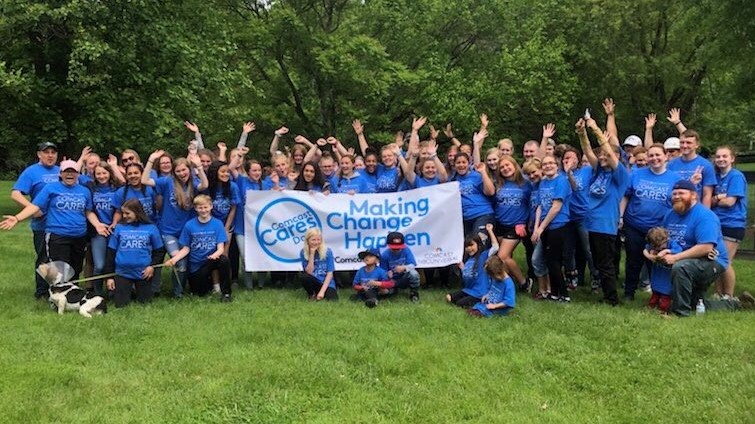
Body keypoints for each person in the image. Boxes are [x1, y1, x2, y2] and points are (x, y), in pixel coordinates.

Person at [649, 180, 753, 317]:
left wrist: (674, 257)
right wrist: (651, 253)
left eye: (681, 193)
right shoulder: (670, 214)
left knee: (681, 267)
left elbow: (706, 247)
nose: (676, 196)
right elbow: (662, 238)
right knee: (696, 304)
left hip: (712, 261)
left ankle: (680, 314)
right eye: (674, 193)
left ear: (693, 195)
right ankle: (739, 304)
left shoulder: (705, 216)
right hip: (689, 258)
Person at [1, 160, 109, 283]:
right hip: (57, 235)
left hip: (79, 236)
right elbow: (35, 206)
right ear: (60, 174)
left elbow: (88, 212)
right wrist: (17, 218)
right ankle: (55, 296)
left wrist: (97, 224)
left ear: (78, 174)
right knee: (58, 269)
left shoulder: (84, 191)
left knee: (76, 268)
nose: (70, 175)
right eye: (66, 172)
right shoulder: (51, 188)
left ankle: (72, 297)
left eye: (73, 172)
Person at [578, 117, 630, 306]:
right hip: (592, 224)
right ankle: (608, 294)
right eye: (600, 156)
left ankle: (612, 299)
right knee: (600, 263)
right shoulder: (599, 172)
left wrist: (595, 129)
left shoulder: (620, 175)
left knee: (605, 264)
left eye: (606, 156)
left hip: (606, 224)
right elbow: (587, 151)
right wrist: (582, 132)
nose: (602, 157)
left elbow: (608, 150)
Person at [143, 150, 207, 297]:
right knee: (179, 260)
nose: (181, 173)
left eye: (184, 170)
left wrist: (199, 166)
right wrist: (151, 160)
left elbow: (205, 184)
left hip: (187, 231)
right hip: (168, 232)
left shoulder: (194, 183)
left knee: (186, 263)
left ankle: (179, 291)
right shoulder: (167, 182)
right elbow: (145, 180)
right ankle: (177, 293)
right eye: (177, 171)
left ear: (189, 170)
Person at [621, 144, 680, 300]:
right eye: (651, 155)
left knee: (656, 262)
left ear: (666, 156)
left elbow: (678, 202)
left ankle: (658, 293)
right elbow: (626, 196)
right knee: (633, 260)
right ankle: (629, 292)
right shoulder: (636, 174)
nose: (654, 158)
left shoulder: (675, 178)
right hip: (634, 224)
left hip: (658, 229)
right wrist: (620, 217)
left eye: (658, 155)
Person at [11, 141, 60, 299]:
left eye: (53, 152)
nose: (50, 155)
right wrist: (32, 208)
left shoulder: (61, 171)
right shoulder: (31, 172)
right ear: (39, 154)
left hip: (60, 224)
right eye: (46, 152)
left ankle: (58, 289)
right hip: (42, 224)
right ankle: (42, 292)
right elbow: (16, 193)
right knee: (44, 258)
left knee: (57, 257)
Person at [164, 195, 232, 302]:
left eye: (205, 207)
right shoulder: (189, 225)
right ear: (195, 208)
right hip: (196, 268)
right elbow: (186, 249)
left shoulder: (217, 224)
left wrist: (215, 255)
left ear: (211, 207)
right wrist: (173, 260)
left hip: (210, 261)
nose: (203, 210)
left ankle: (226, 294)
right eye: (200, 208)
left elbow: (221, 248)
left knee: (224, 260)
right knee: (200, 293)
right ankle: (203, 286)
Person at [104, 199, 164, 307]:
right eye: (123, 213)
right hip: (122, 272)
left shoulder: (151, 228)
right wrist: (109, 277)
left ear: (137, 212)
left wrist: (152, 266)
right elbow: (111, 253)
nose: (124, 216)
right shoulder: (119, 228)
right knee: (121, 305)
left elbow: (159, 251)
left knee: (144, 304)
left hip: (143, 273)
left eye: (127, 213)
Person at [531, 154, 571, 302]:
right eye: (545, 164)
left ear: (557, 165)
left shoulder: (561, 181)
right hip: (545, 226)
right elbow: (540, 206)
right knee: (548, 260)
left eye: (551, 163)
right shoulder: (543, 183)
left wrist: (541, 227)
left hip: (558, 225)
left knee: (554, 261)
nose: (548, 166)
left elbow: (556, 207)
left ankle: (564, 294)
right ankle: (554, 293)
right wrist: (536, 228)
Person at [711, 146, 747, 298]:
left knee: (725, 261)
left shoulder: (736, 176)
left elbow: (730, 202)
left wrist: (717, 200)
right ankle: (718, 294)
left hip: (733, 224)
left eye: (724, 156)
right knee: (716, 260)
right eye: (718, 157)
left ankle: (729, 296)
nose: (721, 159)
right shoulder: (716, 177)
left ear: (732, 158)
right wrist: (720, 197)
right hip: (717, 223)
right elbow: (710, 201)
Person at [492, 155, 529, 288]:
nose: (505, 168)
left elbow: (533, 204)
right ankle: (506, 284)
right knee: (506, 257)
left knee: (503, 256)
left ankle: (524, 283)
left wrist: (524, 222)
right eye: (502, 167)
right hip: (500, 224)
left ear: (514, 165)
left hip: (516, 225)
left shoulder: (525, 183)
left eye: (508, 165)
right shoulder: (499, 184)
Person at [87, 161, 122, 295]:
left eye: (104, 173)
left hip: (114, 229)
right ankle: (97, 293)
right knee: (99, 265)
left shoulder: (116, 189)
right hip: (98, 231)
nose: (101, 176)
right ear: (94, 175)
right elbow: (89, 210)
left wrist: (114, 223)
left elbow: (119, 209)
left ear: (109, 173)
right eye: (98, 173)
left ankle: (113, 291)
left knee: (114, 262)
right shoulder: (91, 189)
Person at [446, 224, 498, 308]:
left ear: (478, 244)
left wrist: (490, 230)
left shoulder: (484, 256)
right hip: (469, 290)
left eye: (471, 245)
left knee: (460, 304)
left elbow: (495, 247)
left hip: (480, 292)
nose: (469, 248)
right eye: (467, 246)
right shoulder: (468, 260)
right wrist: (462, 267)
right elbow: (467, 274)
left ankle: (482, 301)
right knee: (449, 297)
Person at [642, 227, 681, 314]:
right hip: (657, 271)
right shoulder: (652, 246)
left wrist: (667, 251)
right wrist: (650, 255)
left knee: (665, 292)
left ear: (666, 239)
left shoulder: (671, 243)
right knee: (655, 289)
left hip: (667, 273)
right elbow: (645, 250)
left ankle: (663, 309)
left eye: (661, 245)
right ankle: (652, 305)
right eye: (655, 246)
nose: (659, 248)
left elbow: (678, 250)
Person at [380, 231, 420, 303]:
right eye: (394, 248)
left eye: (398, 248)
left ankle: (414, 293)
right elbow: (382, 273)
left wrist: (404, 267)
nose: (396, 250)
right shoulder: (384, 255)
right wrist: (388, 274)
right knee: (387, 294)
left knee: (414, 273)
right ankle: (393, 290)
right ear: (388, 245)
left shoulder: (406, 250)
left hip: (404, 278)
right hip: (392, 280)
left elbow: (413, 264)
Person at [299, 228, 337, 300]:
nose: (316, 242)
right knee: (304, 277)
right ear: (308, 240)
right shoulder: (303, 252)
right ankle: (311, 294)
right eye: (313, 240)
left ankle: (320, 293)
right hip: (314, 281)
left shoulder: (328, 251)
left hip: (327, 283)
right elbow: (309, 272)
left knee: (333, 300)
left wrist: (322, 292)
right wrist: (312, 254)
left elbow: (330, 273)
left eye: (318, 239)